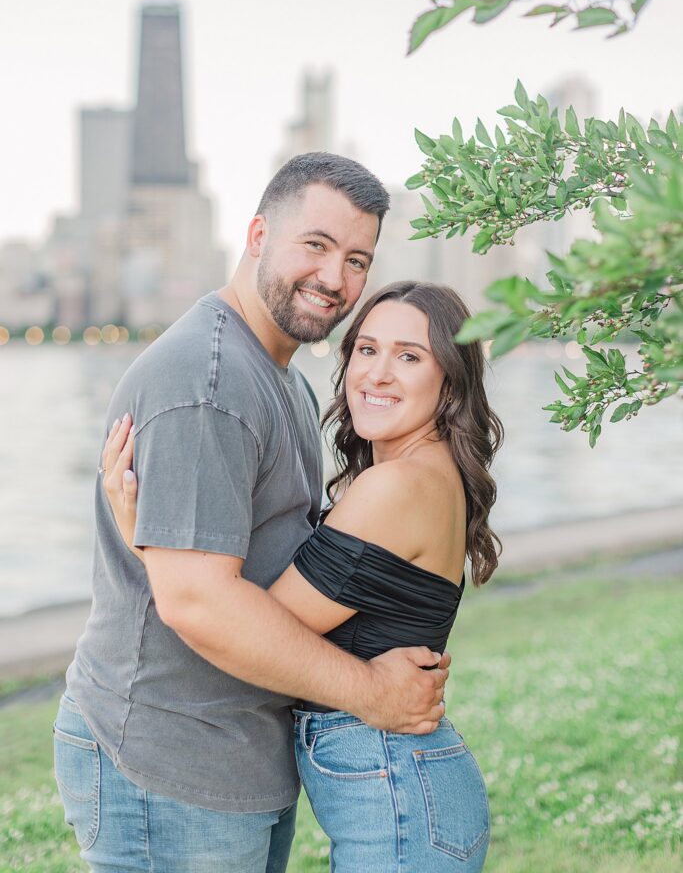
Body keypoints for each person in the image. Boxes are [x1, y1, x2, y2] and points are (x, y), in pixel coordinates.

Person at [53, 153, 450, 873]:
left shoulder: (281, 378)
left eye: (356, 259)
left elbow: (258, 571)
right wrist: (373, 694)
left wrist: (153, 552)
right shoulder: (208, 381)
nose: (334, 277)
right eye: (316, 245)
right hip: (171, 758)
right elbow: (199, 602)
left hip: (238, 754)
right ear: (258, 234)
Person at [103, 280, 503, 871]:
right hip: (409, 786)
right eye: (367, 349)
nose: (377, 374)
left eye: (409, 357)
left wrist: (147, 536)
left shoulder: (396, 486)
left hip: (398, 795)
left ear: (450, 380)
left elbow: (255, 628)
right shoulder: (427, 473)